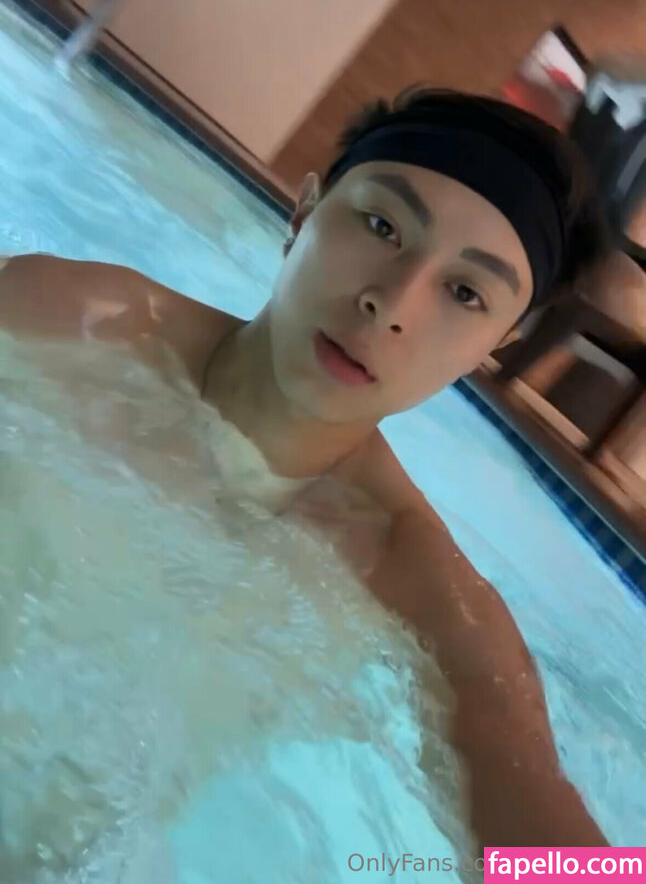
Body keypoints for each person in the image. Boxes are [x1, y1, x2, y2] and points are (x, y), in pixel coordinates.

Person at [0, 88, 611, 848]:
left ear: (493, 345)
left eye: (464, 292)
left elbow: (540, 834)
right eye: (383, 226)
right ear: (304, 212)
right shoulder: (73, 319)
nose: (391, 303)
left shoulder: (424, 591)